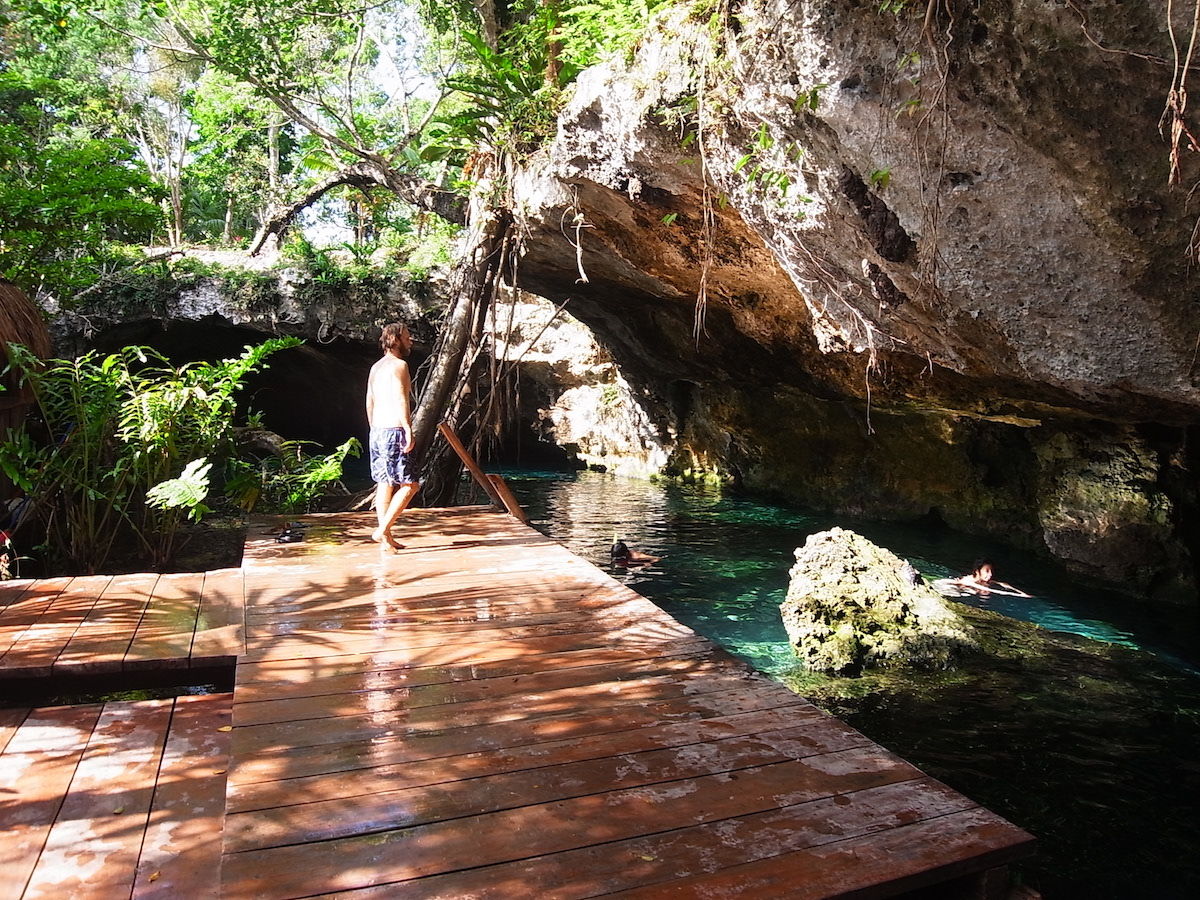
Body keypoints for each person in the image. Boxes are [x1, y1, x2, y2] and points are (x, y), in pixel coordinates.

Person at [366, 322, 419, 551]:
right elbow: (400, 397)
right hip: (394, 430)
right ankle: (380, 531)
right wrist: (407, 428)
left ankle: (386, 538)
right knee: (410, 485)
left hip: (377, 430)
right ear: (396, 339)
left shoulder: (376, 367)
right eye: (407, 337)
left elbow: (369, 400)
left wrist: (373, 428)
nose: (411, 341)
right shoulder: (400, 365)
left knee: (385, 483)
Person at [951, 558, 1031, 597]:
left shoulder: (983, 581)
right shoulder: (968, 581)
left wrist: (1020, 591)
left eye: (991, 571)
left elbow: (1002, 584)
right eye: (987, 571)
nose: (990, 574)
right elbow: (992, 590)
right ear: (977, 571)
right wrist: (1019, 595)